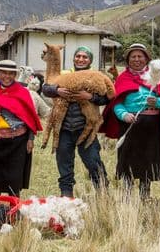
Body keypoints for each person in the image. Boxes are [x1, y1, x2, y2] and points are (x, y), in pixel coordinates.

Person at [101, 43, 160, 200]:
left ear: (146, 59)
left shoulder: (156, 78)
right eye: (133, 57)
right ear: (128, 60)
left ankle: (145, 193)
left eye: (140, 56)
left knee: (148, 159)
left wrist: (157, 102)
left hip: (151, 125)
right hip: (130, 123)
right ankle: (127, 193)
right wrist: (124, 115)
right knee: (128, 158)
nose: (137, 59)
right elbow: (117, 103)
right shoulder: (123, 78)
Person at [42, 46, 110, 197]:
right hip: (64, 129)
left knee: (93, 162)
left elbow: (106, 98)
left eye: (85, 57)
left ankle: (103, 194)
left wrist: (90, 97)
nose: (81, 59)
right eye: (78, 56)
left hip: (85, 128)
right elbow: (45, 87)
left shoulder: (95, 76)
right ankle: (67, 196)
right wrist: (56, 91)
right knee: (64, 165)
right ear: (73, 58)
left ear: (90, 60)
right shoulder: (64, 74)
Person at [0, 60, 43, 197]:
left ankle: (14, 211)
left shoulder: (22, 93)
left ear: (15, 75)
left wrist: (30, 139)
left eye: (11, 73)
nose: (7, 76)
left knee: (14, 178)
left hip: (17, 141)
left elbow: (30, 117)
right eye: (3, 73)